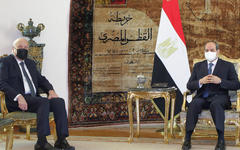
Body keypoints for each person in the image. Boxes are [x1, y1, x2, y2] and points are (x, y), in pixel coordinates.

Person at [0, 38, 75, 150]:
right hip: (16, 101)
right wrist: (18, 96)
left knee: (59, 102)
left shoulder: (30, 63)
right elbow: (2, 82)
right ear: (13, 49)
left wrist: (50, 90)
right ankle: (41, 142)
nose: (23, 49)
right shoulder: (5, 62)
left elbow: (41, 80)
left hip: (33, 99)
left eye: (26, 47)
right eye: (20, 47)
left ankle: (61, 140)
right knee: (43, 102)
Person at [181, 41, 240, 150]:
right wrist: (200, 81)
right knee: (194, 104)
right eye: (207, 50)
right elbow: (189, 85)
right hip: (202, 97)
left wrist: (221, 81)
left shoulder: (227, 65)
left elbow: (236, 84)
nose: (209, 52)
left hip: (220, 97)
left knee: (216, 104)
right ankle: (187, 138)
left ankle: (221, 140)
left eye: (212, 50)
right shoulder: (198, 66)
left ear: (217, 52)